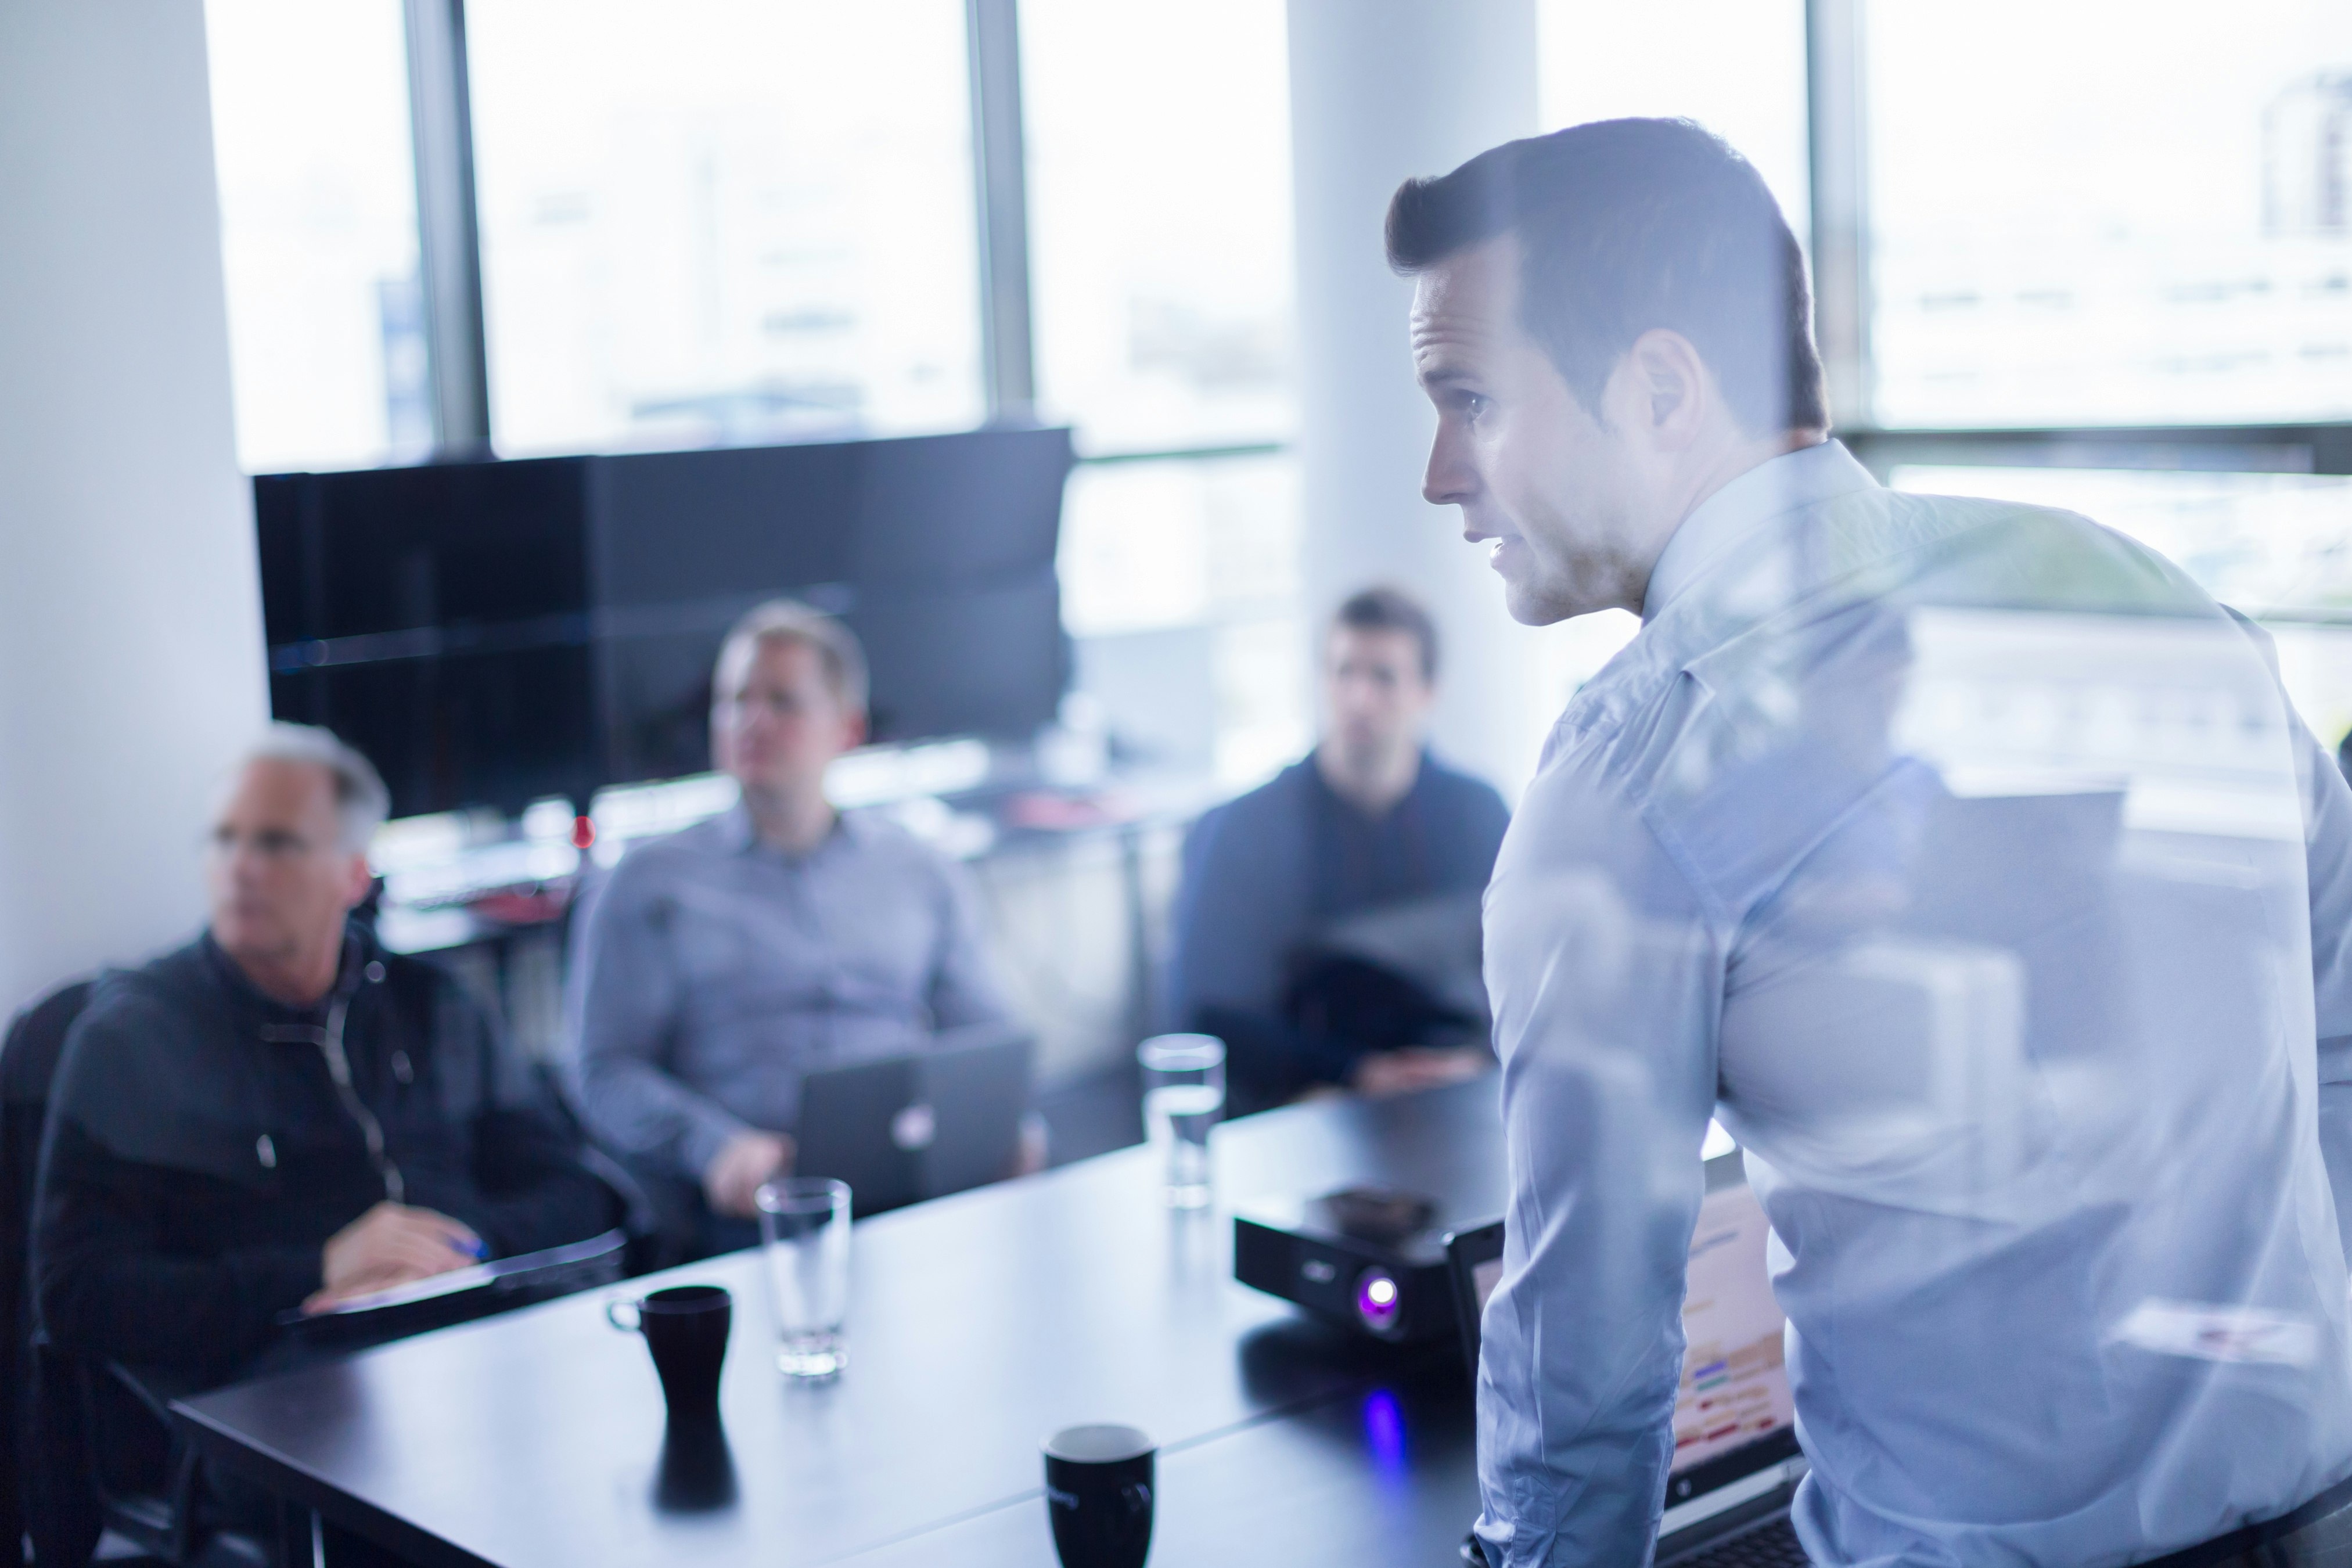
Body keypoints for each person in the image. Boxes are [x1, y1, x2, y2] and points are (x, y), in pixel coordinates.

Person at [1391, 118, 2352, 1564]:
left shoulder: (1629, 782)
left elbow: (1580, 1386)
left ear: (1660, 386)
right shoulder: (2149, 597)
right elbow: (2333, 1047)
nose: (1437, 472)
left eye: (1468, 398)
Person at [32, 724, 618, 1397]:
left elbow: (574, 1192)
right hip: (284, 1381)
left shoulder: (432, 1006)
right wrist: (318, 1268)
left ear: (353, 873)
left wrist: (458, 1252)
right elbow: (76, 1292)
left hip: (475, 1338)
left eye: (277, 843)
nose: (242, 866)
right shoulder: (136, 1039)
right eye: (225, 839)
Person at [567, 600, 1016, 1256]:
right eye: (734, 701)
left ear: (849, 728)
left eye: (783, 701)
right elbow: (601, 1069)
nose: (752, 721)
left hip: (912, 1186)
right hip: (749, 1206)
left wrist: (1003, 1121)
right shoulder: (648, 881)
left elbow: (988, 1035)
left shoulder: (921, 869)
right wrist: (712, 1147)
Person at [1169, 587, 1509, 1114]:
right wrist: (1357, 1074)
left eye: (1383, 677)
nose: (1358, 698)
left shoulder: (1478, 815)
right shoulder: (1244, 828)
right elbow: (1208, 1008)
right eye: (1343, 672)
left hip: (1457, 1095)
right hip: (1309, 1102)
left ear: (1428, 691)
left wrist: (1476, 1061)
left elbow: (1530, 975)